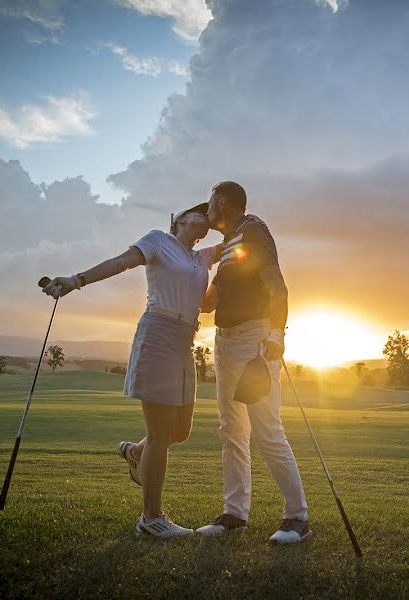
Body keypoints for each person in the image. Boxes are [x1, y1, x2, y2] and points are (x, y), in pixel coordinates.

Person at [42, 204, 220, 539]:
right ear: (180, 220)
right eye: (200, 214)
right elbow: (121, 262)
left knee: (179, 432)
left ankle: (135, 452)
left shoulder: (203, 257)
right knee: (160, 434)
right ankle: (151, 518)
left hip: (185, 343)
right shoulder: (158, 241)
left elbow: (238, 243)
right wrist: (76, 280)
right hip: (157, 335)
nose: (207, 220)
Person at [195, 181, 311, 544]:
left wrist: (277, 334)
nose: (206, 210)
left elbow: (277, 287)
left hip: (253, 340)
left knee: (267, 430)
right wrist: (184, 265)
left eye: (210, 203)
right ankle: (234, 514)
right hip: (225, 341)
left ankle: (297, 518)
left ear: (224, 203)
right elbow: (209, 303)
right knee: (231, 430)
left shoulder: (253, 231)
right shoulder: (230, 244)